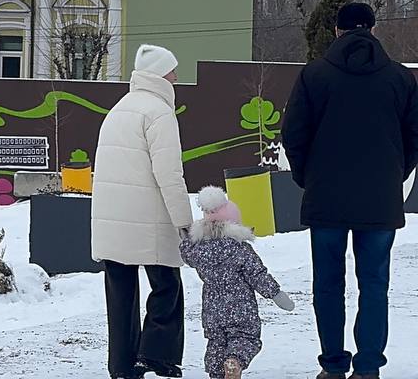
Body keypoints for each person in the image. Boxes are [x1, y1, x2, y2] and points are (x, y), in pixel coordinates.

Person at [281, 2, 418, 379]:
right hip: (379, 200)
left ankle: (333, 365)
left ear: (337, 31)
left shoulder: (314, 75)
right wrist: (394, 174)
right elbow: (414, 137)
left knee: (328, 283)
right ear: (373, 30)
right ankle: (369, 366)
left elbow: (293, 134)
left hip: (326, 197)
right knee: (374, 284)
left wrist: (309, 177)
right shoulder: (400, 78)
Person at [91, 44, 194, 379]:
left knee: (120, 295)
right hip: (149, 219)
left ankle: (121, 365)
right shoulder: (159, 113)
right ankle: (155, 354)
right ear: (161, 75)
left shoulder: (119, 110)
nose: (177, 77)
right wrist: (183, 221)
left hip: (112, 221)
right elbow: (169, 173)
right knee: (167, 285)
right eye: (173, 70)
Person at [179, 186, 296, 379]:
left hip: (212, 311)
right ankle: (234, 361)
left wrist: (187, 238)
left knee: (216, 342)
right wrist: (276, 294)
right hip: (241, 308)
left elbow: (186, 251)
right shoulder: (240, 249)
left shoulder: (197, 251)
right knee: (246, 338)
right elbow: (258, 275)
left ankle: (217, 373)